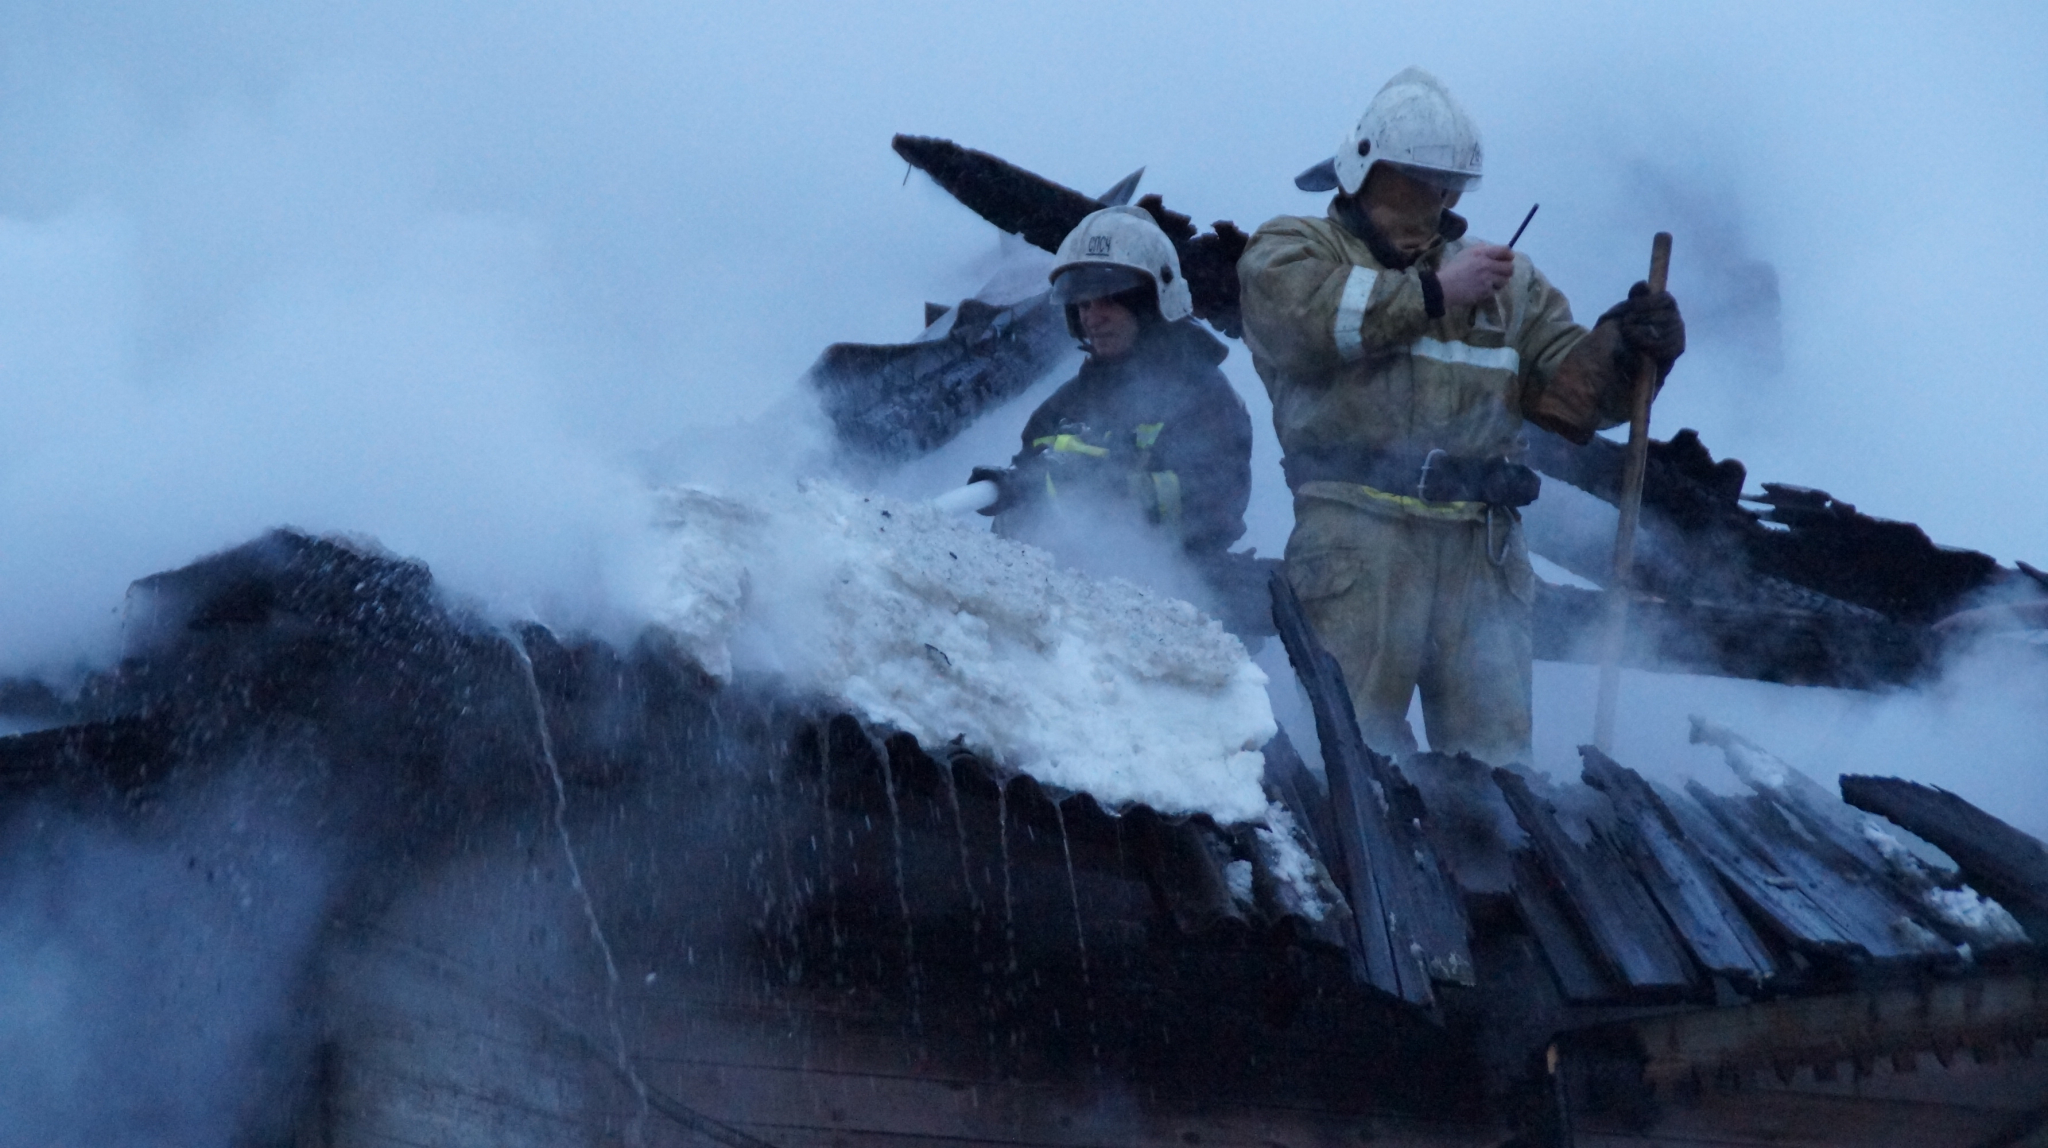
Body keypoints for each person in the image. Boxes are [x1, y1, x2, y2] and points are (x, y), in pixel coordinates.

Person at [1235, 67, 1686, 765]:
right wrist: (1436, 293)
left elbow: (1572, 401)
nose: (1431, 199)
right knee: (1345, 762)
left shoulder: (1510, 284)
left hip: (1484, 551)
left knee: (1495, 771)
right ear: (1361, 170)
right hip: (1356, 540)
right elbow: (1304, 323)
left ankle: (1493, 867)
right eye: (1411, 179)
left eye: (1444, 185)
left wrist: (1626, 350)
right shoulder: (1293, 250)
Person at [972, 205, 1257, 622]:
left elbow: (1210, 504)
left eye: (1108, 300)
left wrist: (1084, 483)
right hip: (1066, 613)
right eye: (1082, 304)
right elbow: (1033, 482)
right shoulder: (1063, 407)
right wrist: (1013, 487)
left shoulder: (1201, 397)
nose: (1092, 317)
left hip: (1175, 609)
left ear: (1150, 303)